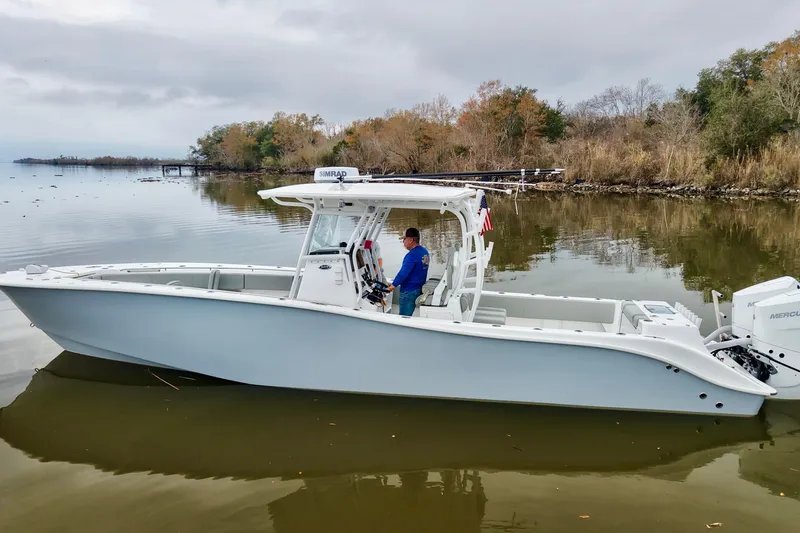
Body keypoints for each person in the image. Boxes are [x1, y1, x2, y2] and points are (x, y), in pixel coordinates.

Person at [387, 228, 430, 316]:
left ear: (410, 240)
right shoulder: (424, 252)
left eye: (404, 239)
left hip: (408, 291)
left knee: (404, 317)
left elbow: (403, 273)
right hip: (418, 288)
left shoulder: (411, 256)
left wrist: (392, 286)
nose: (403, 241)